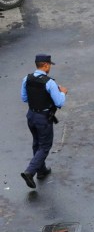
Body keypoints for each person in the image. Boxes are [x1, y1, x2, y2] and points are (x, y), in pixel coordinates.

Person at [20, 54, 68, 189]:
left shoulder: (26, 79)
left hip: (31, 115)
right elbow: (59, 102)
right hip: (43, 118)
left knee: (37, 143)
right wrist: (63, 92)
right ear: (46, 65)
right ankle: (30, 172)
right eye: (50, 65)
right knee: (45, 146)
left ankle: (41, 170)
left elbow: (24, 98)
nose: (50, 67)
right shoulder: (49, 82)